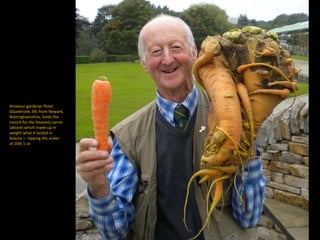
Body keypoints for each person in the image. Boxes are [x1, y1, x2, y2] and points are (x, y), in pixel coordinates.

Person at [76, 13, 266, 240]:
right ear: (144, 63)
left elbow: (249, 217)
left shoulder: (235, 119)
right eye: (156, 52)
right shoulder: (128, 137)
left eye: (176, 48)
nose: (167, 59)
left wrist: (248, 142)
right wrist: (98, 184)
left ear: (194, 52)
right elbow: (114, 232)